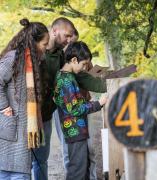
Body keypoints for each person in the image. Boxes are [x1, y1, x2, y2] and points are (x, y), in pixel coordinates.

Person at [32, 17, 107, 180]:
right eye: (67, 35)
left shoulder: (61, 58)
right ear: (54, 31)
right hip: (32, 114)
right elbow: (72, 106)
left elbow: (79, 80)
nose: (69, 40)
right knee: (28, 161)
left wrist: (108, 85)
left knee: (42, 160)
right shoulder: (36, 52)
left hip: (48, 115)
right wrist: (98, 104)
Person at [0, 18, 49, 180]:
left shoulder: (32, 64)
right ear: (33, 43)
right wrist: (3, 107)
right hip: (9, 136)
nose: (47, 48)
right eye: (44, 44)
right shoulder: (14, 58)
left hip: (20, 139)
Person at [54, 41, 107, 180]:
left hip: (78, 130)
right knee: (77, 170)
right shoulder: (65, 80)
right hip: (75, 131)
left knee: (83, 167)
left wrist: (86, 102)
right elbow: (75, 109)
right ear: (74, 60)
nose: (84, 68)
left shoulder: (68, 77)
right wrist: (98, 103)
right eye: (84, 64)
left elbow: (72, 103)